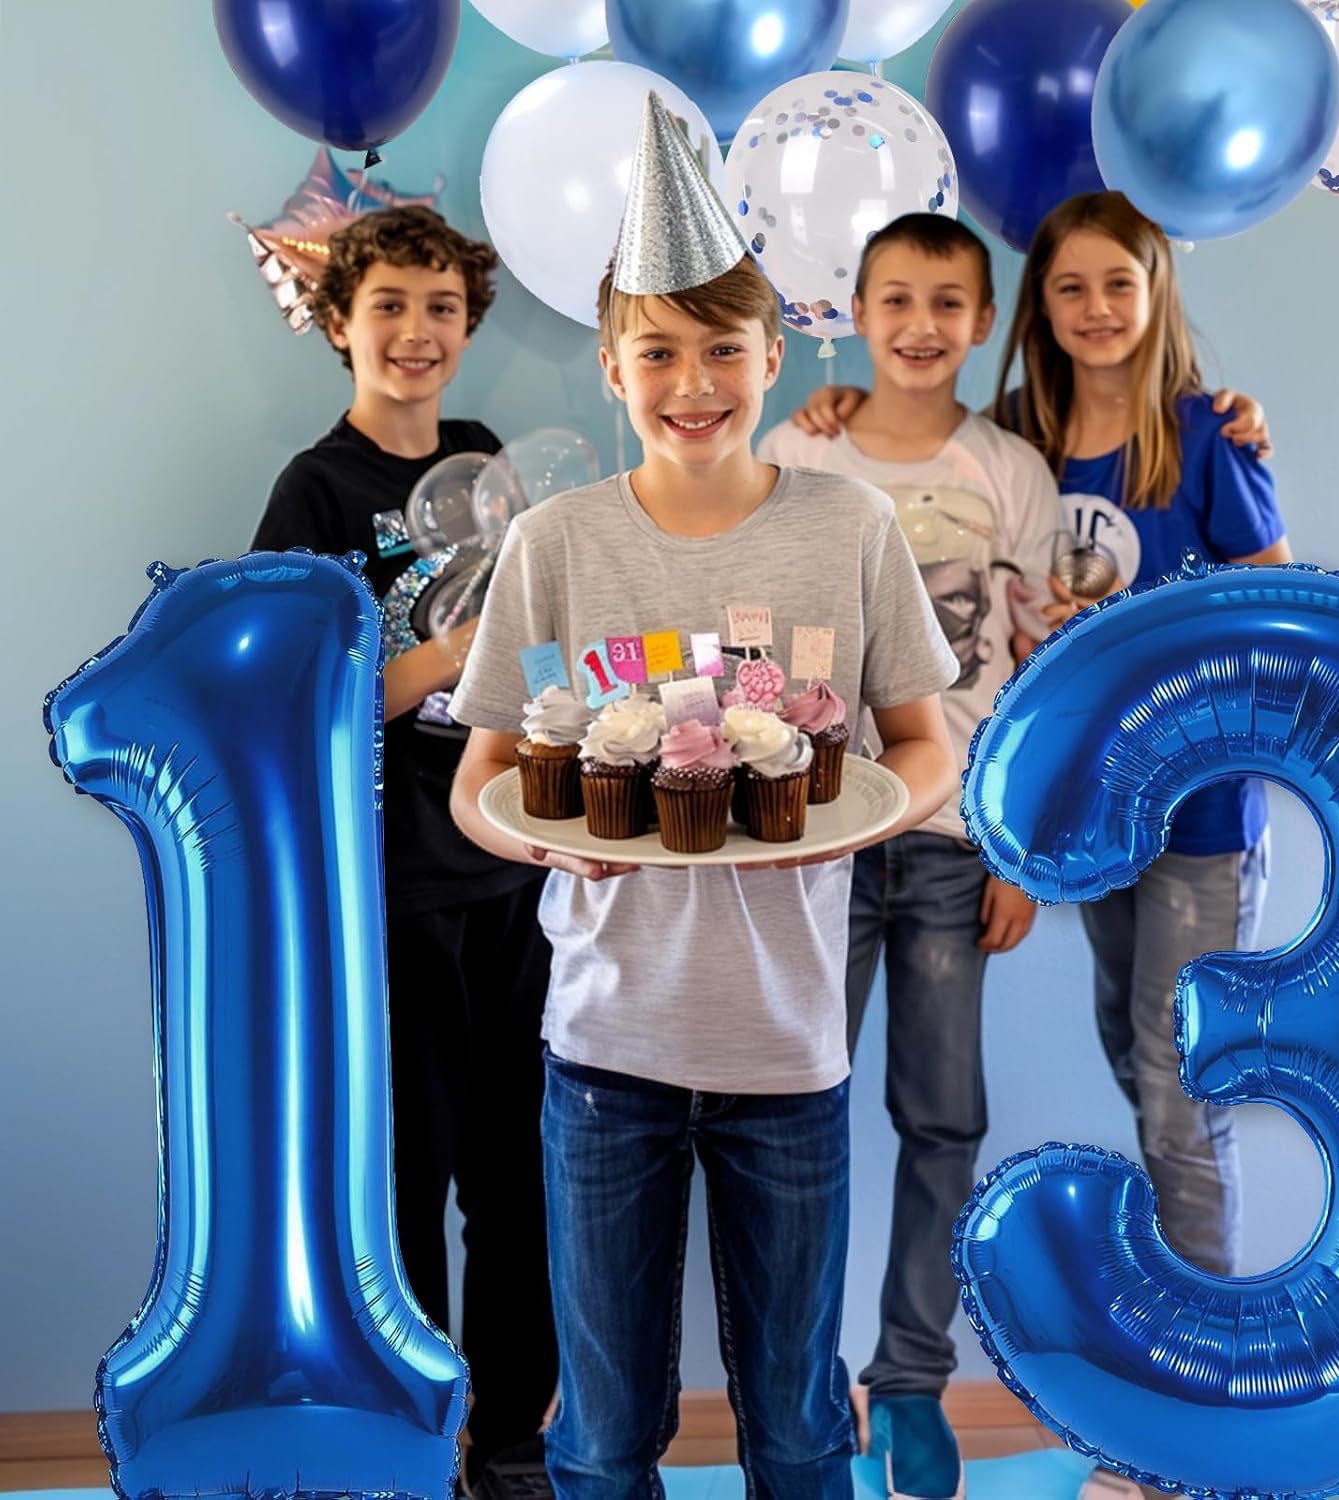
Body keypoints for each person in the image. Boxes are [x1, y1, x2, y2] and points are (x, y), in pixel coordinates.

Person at [448, 93, 959, 1500]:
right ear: (612, 364)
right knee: (602, 1436)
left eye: (724, 348)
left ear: (773, 355)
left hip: (788, 1052)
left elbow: (928, 747)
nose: (694, 381)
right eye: (659, 351)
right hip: (604, 1047)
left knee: (798, 1428)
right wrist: (547, 843)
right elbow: (486, 782)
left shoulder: (848, 527)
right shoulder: (555, 546)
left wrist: (859, 817)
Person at [792, 190, 1290, 1278]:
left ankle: (1207, 1359)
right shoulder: (1020, 435)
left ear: (1158, 291)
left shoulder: (1208, 434)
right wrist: (839, 401)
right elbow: (928, 450)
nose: (1096, 306)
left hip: (1198, 809)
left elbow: (1276, 615)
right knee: (1137, 1057)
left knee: (1179, 1086)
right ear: (1035, 309)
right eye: (1070, 286)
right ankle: (1184, 1324)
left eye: (1119, 282)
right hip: (1093, 811)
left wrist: (1148, 645)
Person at [250, 205, 557, 1500]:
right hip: (396, 889)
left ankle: (515, 1443)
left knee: (521, 1177)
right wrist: (443, 657)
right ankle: (418, 1441)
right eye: (389, 306)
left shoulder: (490, 464)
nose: (417, 331)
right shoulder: (315, 491)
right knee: (405, 1178)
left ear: (468, 324)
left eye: (441, 307)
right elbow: (291, 699)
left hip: (520, 874)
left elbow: (541, 642)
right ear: (339, 323)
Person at [758, 212, 1063, 1500]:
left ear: (983, 322)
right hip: (814, 843)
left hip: (951, 842)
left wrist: (1021, 852)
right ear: (855, 311)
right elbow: (749, 643)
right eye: (896, 298)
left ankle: (912, 1383)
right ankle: (798, 1380)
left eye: (948, 302)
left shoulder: (1009, 471)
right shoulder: (798, 452)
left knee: (942, 1116)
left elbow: (1041, 671)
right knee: (792, 1115)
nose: (921, 324)